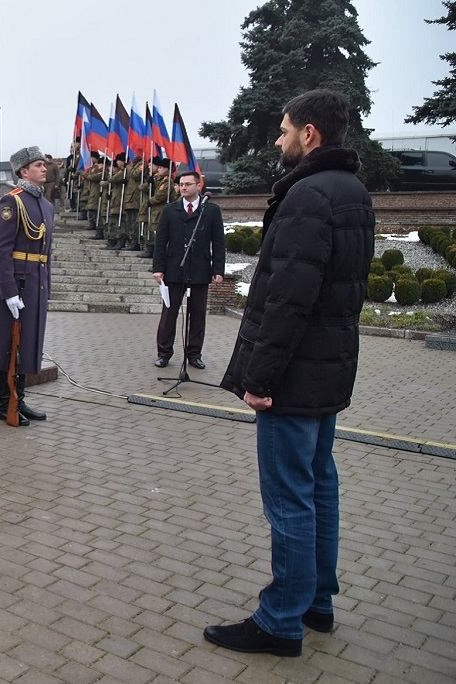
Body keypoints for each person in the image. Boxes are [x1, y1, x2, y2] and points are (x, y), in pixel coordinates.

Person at [205, 89, 375, 658]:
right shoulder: (352, 191)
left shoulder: (307, 196)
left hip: (295, 376)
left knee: (290, 499)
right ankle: (316, 602)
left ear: (310, 135)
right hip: (327, 372)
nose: (278, 140)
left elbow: (288, 299)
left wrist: (262, 377)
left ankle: (280, 620)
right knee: (319, 487)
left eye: (284, 131)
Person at [0, 146, 53, 426]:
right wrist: (9, 291)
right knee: (6, 344)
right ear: (24, 171)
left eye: (43, 164)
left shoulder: (45, 204)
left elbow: (46, 250)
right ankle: (4, 403)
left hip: (36, 281)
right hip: (17, 283)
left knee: (26, 343)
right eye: (38, 165)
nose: (44, 168)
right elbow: (1, 250)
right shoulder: (12, 202)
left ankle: (19, 398)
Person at [151, 170, 225, 369]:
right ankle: (164, 353)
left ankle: (194, 354)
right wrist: (158, 268)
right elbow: (161, 242)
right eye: (181, 184)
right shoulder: (170, 210)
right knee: (169, 314)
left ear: (198, 186)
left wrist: (218, 269)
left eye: (188, 184)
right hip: (175, 268)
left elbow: (218, 242)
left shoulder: (211, 210)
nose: (183, 187)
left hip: (200, 270)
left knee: (198, 314)